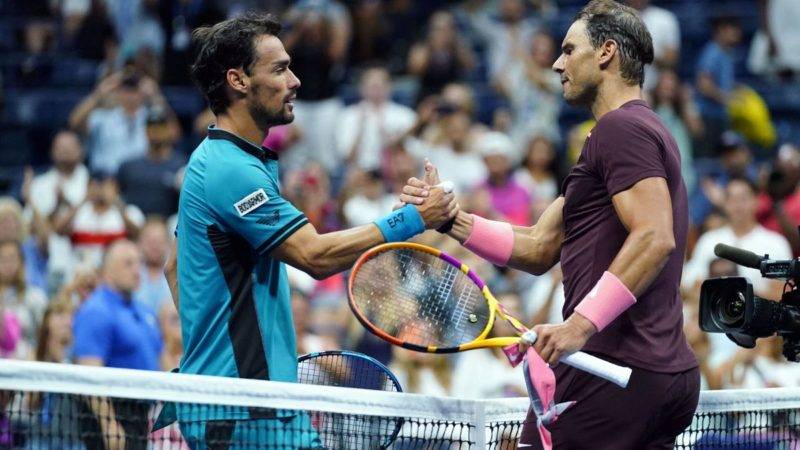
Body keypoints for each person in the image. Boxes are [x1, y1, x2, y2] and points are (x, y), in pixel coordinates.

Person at [402, 1, 698, 448]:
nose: (557, 63)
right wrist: (451, 221)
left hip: (611, 371)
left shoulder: (622, 130)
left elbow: (656, 238)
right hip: (651, 375)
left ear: (606, 52)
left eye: (569, 49)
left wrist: (578, 327)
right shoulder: (625, 134)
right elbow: (540, 246)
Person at [165, 13, 456, 449]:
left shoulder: (222, 160)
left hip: (253, 400)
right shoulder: (229, 170)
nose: (296, 81)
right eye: (280, 69)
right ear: (237, 80)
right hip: (243, 408)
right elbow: (314, 256)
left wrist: (224, 353)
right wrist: (414, 220)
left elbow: (175, 269)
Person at [72, 239, 162, 450]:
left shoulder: (144, 310)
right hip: (114, 414)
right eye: (128, 263)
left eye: (138, 263)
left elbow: (159, 358)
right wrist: (109, 424)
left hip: (142, 415)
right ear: (107, 271)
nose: (136, 269)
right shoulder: (96, 310)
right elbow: (90, 373)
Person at [117, 106, 186, 218]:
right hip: (136, 227)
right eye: (151, 127)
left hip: (170, 229)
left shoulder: (181, 165)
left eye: (161, 127)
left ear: (169, 130)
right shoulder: (129, 166)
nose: (156, 131)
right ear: (145, 131)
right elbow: (114, 192)